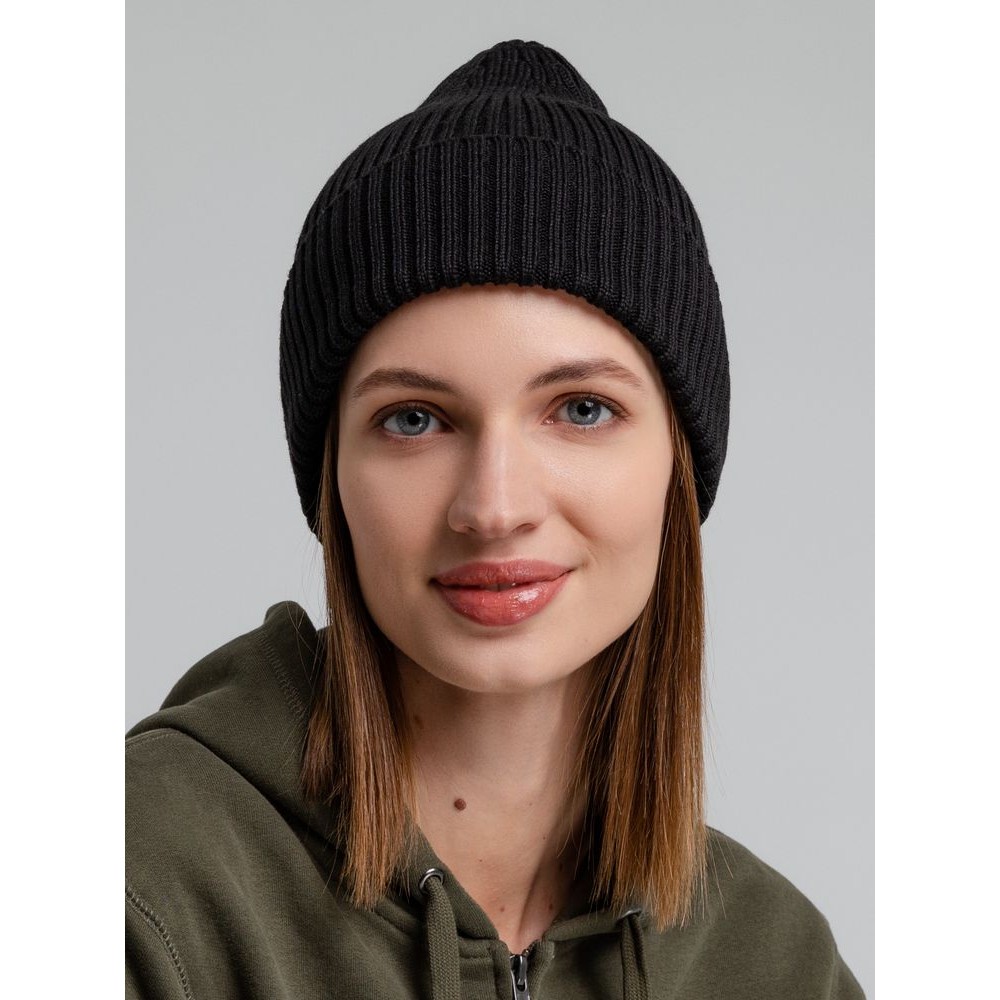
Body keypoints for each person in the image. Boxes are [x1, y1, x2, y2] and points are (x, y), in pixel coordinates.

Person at [125, 38, 865, 999]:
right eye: (414, 419)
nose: (494, 507)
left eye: (582, 409)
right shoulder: (138, 885)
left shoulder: (777, 961)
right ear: (332, 478)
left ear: (676, 467)